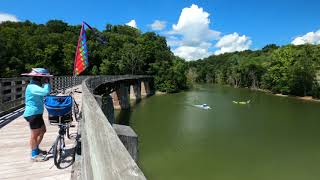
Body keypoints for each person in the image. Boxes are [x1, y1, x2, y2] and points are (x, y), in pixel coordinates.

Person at [21, 68, 52, 162]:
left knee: (43, 131)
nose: (45, 79)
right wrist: (47, 83)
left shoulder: (36, 85)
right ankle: (34, 155)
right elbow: (46, 92)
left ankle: (36, 149)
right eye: (44, 77)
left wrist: (46, 83)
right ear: (40, 78)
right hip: (33, 114)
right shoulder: (32, 87)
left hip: (37, 113)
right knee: (34, 135)